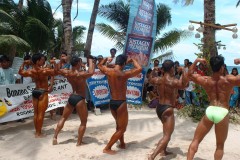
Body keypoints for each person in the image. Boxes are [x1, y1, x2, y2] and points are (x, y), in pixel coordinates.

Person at [187, 56, 240, 160]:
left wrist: (197, 60)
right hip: (222, 112)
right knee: (219, 145)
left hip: (210, 110)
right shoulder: (228, 80)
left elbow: (189, 74)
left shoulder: (206, 80)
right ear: (222, 68)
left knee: (195, 140)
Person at [98, 54, 142, 155]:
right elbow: (139, 68)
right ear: (123, 64)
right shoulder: (124, 74)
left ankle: (122, 143)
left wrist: (105, 59)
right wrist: (133, 60)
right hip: (121, 103)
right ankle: (107, 148)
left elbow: (99, 66)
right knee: (122, 128)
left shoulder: (108, 71)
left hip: (112, 102)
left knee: (119, 125)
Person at [148, 60, 188, 160]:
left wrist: (153, 69)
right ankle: (152, 157)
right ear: (171, 69)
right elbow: (184, 84)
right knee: (167, 135)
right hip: (168, 109)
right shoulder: (173, 81)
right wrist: (183, 71)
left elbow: (150, 79)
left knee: (166, 132)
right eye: (173, 68)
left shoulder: (158, 80)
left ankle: (164, 150)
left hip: (159, 107)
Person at [52, 56, 95, 146]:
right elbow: (91, 72)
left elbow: (56, 70)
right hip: (80, 98)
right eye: (80, 62)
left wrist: (60, 61)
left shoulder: (67, 72)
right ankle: (79, 142)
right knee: (83, 122)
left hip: (72, 97)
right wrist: (91, 61)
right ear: (78, 63)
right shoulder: (81, 74)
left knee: (63, 118)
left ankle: (55, 137)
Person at [18, 53, 56, 137]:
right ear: (38, 61)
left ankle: (37, 131)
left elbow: (20, 72)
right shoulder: (44, 70)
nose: (43, 61)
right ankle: (39, 133)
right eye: (42, 59)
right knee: (41, 114)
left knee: (36, 113)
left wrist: (24, 63)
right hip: (43, 92)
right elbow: (56, 72)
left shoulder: (31, 71)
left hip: (35, 91)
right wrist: (55, 63)